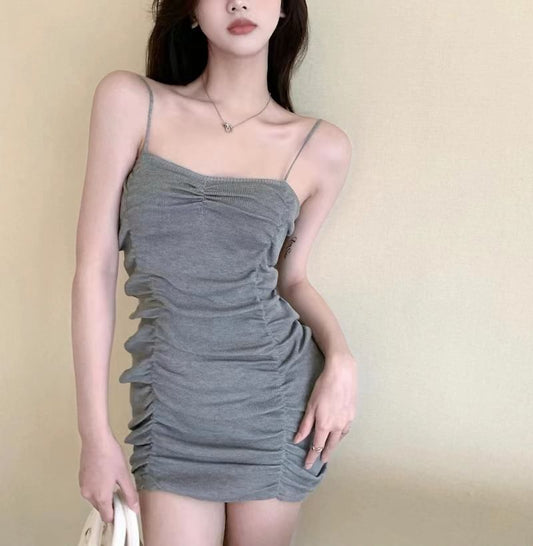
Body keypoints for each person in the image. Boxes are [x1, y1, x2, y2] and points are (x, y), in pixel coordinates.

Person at [72, 1, 357, 544]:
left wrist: (341, 358)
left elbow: (292, 279)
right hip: (171, 407)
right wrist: (94, 434)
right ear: (191, 11)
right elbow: (94, 268)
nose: (239, 2)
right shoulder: (129, 102)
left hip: (275, 405)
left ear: (284, 10)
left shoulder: (321, 147)